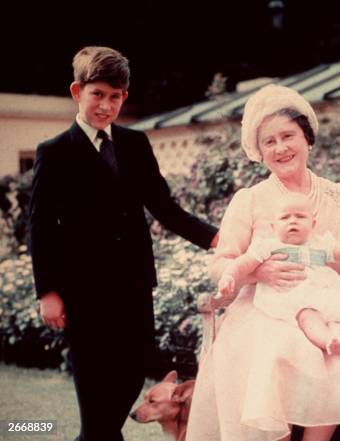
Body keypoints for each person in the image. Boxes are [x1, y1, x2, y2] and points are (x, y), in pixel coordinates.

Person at [186, 84, 340, 441]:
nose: (280, 148)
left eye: (288, 136)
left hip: (334, 309)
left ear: (308, 139)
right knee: (283, 349)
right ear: (259, 151)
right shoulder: (250, 200)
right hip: (266, 313)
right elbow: (220, 264)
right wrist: (257, 271)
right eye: (269, 142)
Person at [28, 46, 218, 441]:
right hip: (83, 295)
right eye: (97, 94)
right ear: (77, 91)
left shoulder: (135, 144)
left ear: (124, 98)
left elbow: (165, 207)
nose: (105, 105)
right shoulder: (54, 153)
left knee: (131, 377)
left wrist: (215, 237)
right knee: (96, 396)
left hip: (133, 288)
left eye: (115, 97)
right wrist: (47, 290)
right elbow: (41, 226)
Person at [218, 193, 340, 360]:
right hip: (293, 295)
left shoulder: (319, 244)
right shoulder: (268, 246)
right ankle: (328, 341)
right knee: (307, 316)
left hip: (323, 291)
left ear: (313, 224)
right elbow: (242, 263)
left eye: (300, 216)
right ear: (273, 226)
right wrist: (229, 276)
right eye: (285, 217)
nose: (293, 221)